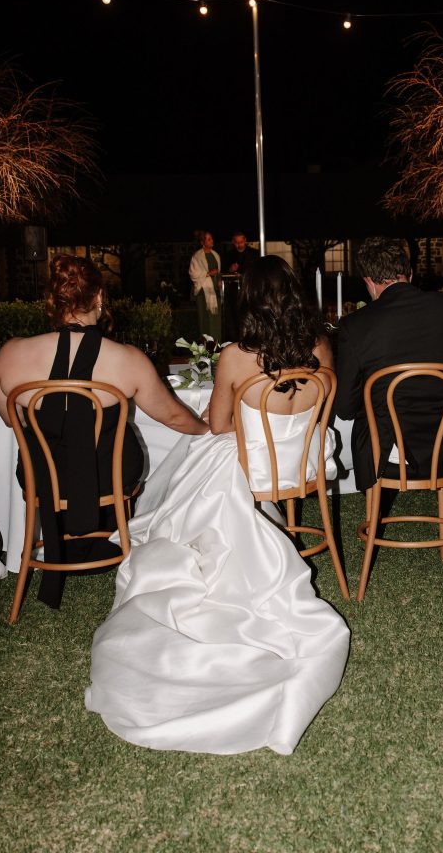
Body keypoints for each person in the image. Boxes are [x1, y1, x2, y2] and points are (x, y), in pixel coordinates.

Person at [85, 255, 350, 756]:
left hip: (259, 469)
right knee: (208, 463)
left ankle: (203, 556)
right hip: (304, 464)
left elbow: (221, 424)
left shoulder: (234, 355)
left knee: (202, 458)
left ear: (246, 300)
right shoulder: (320, 345)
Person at [0, 253, 209, 608]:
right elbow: (174, 419)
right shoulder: (127, 359)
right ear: (99, 298)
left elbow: (10, 421)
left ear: (53, 300)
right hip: (109, 478)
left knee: (45, 459)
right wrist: (208, 426)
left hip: (41, 479)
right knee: (133, 454)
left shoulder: (10, 354)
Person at [334, 236, 443, 498]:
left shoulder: (354, 326)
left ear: (368, 281)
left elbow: (345, 408)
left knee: (369, 420)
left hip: (389, 452)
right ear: (410, 274)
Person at [223, 231, 259, 341]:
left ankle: (252, 337)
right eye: (236, 242)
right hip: (235, 292)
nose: (239, 244)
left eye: (241, 242)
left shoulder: (254, 253)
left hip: (250, 290)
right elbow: (223, 272)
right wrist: (230, 270)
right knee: (235, 316)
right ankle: (237, 339)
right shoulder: (229, 255)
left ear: (245, 241)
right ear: (233, 242)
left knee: (251, 314)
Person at [188, 230, 222, 343]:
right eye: (209, 239)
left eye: (211, 238)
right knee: (205, 321)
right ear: (202, 242)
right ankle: (206, 347)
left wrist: (219, 280)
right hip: (203, 294)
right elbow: (193, 273)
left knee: (216, 321)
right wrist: (207, 274)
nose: (212, 241)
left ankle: (217, 347)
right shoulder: (197, 256)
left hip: (215, 292)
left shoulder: (215, 255)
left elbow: (218, 272)